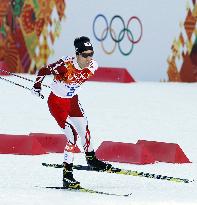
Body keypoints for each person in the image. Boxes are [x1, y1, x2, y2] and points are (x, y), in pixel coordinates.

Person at [32, 36, 112, 188]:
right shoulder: (65, 65)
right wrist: (37, 87)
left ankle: (91, 159)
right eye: (85, 55)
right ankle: (67, 175)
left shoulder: (93, 66)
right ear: (77, 54)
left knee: (85, 129)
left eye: (91, 54)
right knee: (72, 137)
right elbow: (43, 70)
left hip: (72, 101)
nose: (89, 58)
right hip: (57, 103)